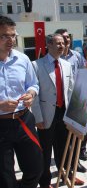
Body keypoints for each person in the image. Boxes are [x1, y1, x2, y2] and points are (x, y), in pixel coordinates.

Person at [31, 34, 84, 187]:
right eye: (58, 43)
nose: (62, 46)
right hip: (46, 116)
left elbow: (71, 89)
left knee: (65, 149)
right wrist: (38, 117)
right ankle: (45, 181)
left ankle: (66, 176)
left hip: (64, 114)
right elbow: (35, 95)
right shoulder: (37, 65)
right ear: (48, 45)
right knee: (45, 152)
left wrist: (75, 113)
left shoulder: (66, 65)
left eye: (63, 43)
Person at [0, 15, 43, 188]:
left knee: (36, 168)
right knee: (5, 178)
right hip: (1, 126)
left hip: (23, 120)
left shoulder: (22, 59)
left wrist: (31, 94)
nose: (10, 40)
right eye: (4, 36)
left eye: (12, 35)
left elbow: (33, 84)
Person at [55, 28, 87, 172]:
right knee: (63, 136)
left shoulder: (77, 56)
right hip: (62, 101)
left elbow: (84, 73)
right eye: (63, 37)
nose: (66, 40)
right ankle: (64, 164)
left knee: (76, 133)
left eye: (68, 37)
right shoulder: (56, 57)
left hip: (77, 99)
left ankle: (75, 161)